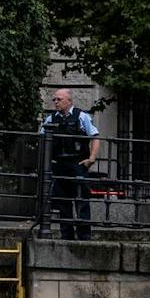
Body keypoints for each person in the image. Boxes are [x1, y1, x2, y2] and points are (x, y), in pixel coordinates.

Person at [40, 88, 100, 240]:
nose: (56, 102)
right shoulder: (51, 119)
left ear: (69, 101)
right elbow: (41, 138)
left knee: (81, 200)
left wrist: (91, 159)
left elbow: (95, 136)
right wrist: (48, 160)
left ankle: (84, 235)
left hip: (77, 163)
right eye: (54, 99)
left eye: (59, 99)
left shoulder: (81, 116)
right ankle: (66, 235)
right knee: (62, 201)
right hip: (59, 164)